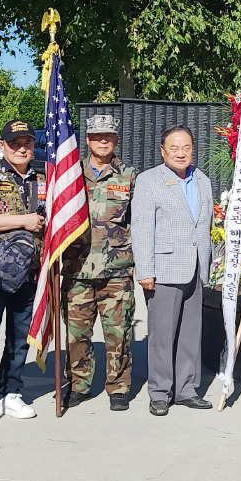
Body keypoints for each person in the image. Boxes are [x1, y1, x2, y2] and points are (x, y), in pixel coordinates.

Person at [131, 125, 214, 416]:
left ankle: (186, 389)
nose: (181, 153)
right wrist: (145, 269)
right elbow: (142, 228)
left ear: (193, 149)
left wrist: (210, 263)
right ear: (163, 151)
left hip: (195, 267)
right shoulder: (149, 181)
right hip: (163, 269)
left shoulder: (202, 180)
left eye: (186, 148)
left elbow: (206, 225)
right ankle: (160, 392)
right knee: (163, 335)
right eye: (174, 148)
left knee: (192, 333)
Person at [63, 115, 137, 412]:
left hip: (116, 269)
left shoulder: (129, 175)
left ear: (116, 139)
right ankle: (79, 384)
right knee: (76, 334)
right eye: (96, 136)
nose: (102, 140)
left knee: (118, 333)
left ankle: (118, 386)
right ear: (87, 140)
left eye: (108, 135)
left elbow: (138, 221)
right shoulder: (69, 175)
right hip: (77, 268)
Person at [0, 119, 45, 422]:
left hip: (30, 273)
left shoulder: (42, 179)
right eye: (14, 144)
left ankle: (10, 392)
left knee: (19, 339)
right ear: (2, 146)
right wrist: (24, 221)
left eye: (26, 143)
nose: (21, 148)